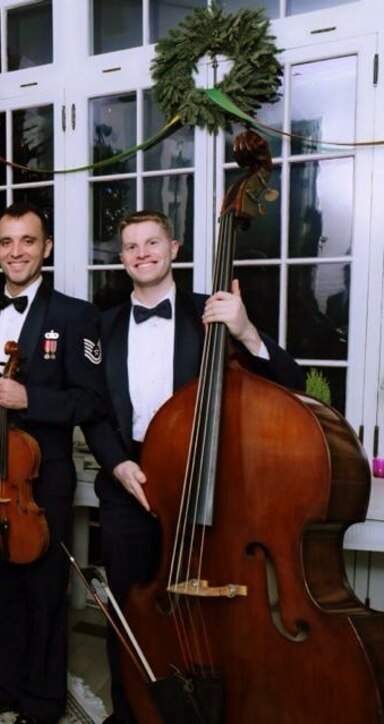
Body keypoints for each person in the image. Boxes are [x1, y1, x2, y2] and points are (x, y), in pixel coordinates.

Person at [82, 210, 303, 724]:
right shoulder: (103, 323)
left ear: (174, 247)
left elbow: (291, 384)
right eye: (131, 246)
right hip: (128, 482)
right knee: (131, 610)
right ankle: (131, 712)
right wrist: (116, 465)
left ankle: (211, 710)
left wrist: (247, 332)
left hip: (203, 479)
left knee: (205, 608)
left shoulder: (214, 312)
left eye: (152, 242)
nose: (142, 253)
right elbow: (90, 407)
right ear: (121, 259)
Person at [0, 202, 106, 724]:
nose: (15, 252)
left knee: (44, 591)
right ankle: (4, 686)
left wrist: (31, 401)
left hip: (43, 480)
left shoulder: (75, 315)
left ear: (46, 247)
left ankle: (42, 703)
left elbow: (91, 401)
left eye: (27, 241)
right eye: (5, 242)